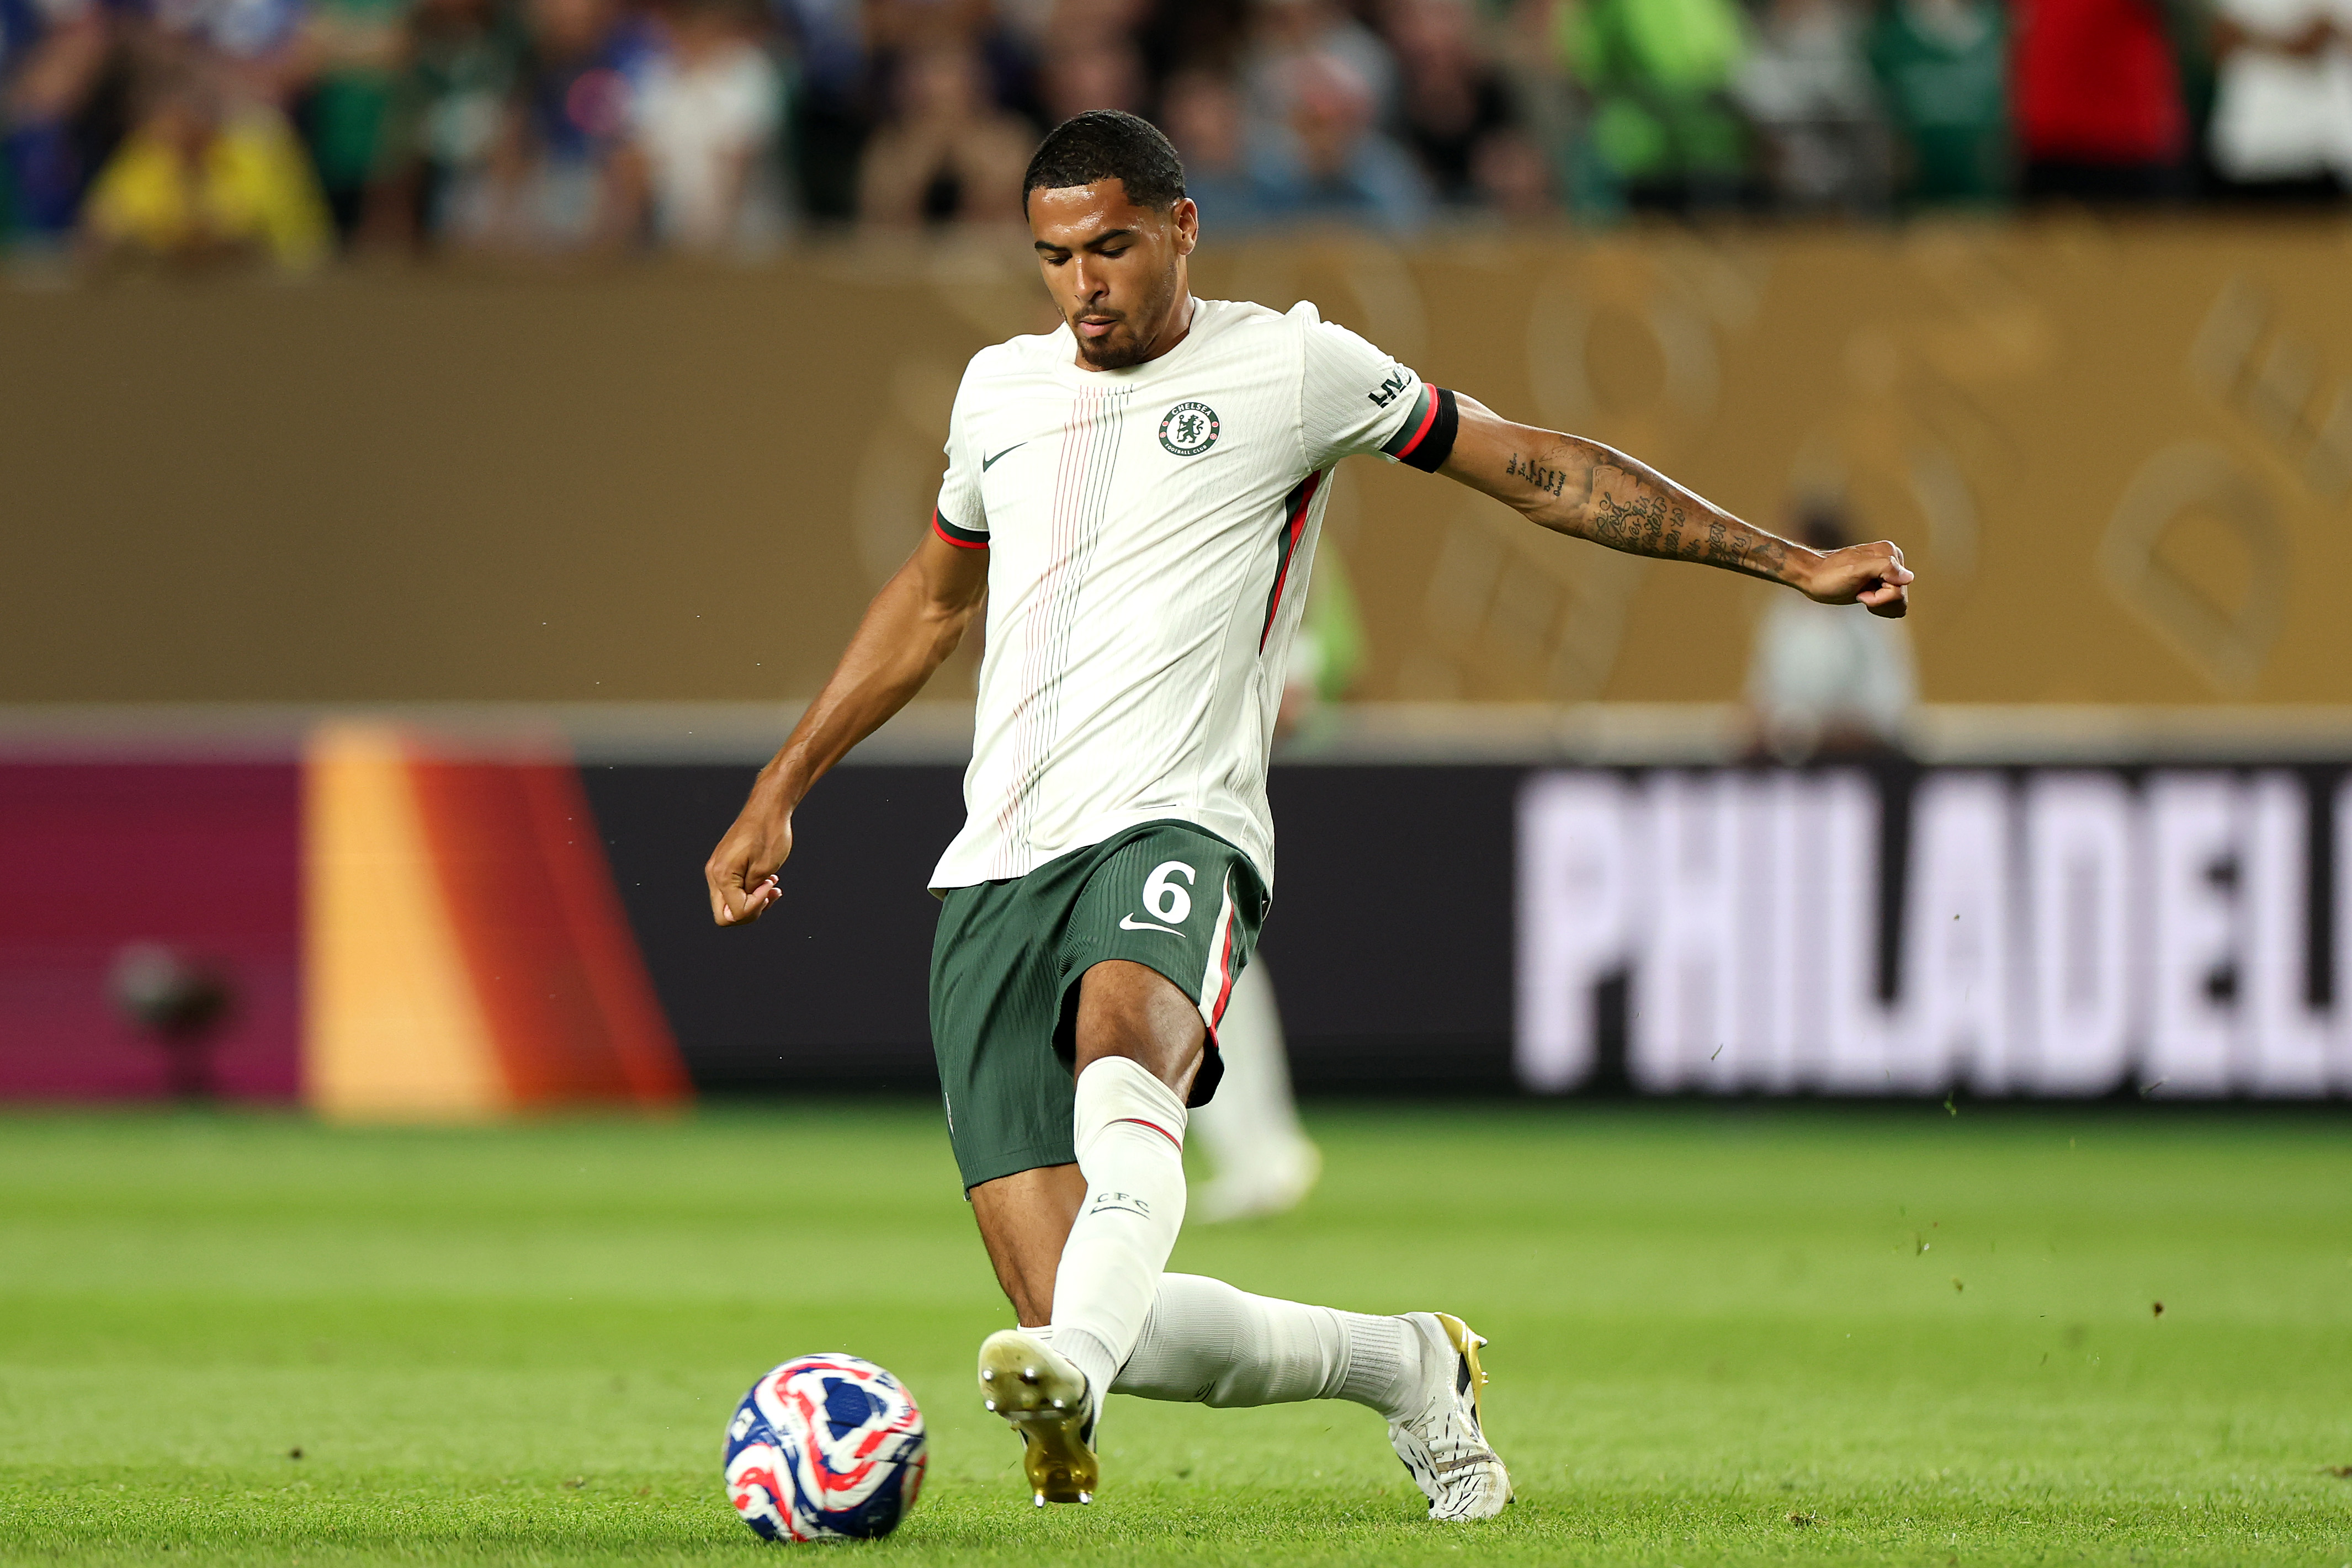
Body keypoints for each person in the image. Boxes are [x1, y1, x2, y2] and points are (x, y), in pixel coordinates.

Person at [702, 109, 1912, 1520]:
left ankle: (1073, 1374)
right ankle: (1401, 1363)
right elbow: (928, 605)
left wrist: (1787, 563)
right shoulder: (998, 394)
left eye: (1111, 247)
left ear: (1182, 227)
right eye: (1054, 257)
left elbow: (1531, 464)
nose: (1083, 284)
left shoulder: (1290, 367)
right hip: (995, 868)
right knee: (1083, 1297)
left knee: (1124, 1065)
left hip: (1176, 822)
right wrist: (780, 785)